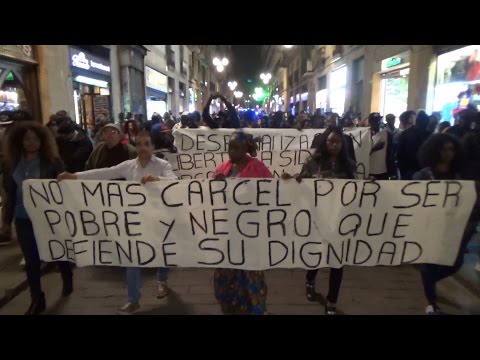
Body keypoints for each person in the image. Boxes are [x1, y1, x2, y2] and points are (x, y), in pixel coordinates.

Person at [57, 131, 177, 315]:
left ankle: (162, 281)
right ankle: (133, 300)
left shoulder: (163, 165)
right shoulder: (128, 166)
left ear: (153, 147)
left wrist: (157, 179)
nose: (143, 148)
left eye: (147, 144)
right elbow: (105, 173)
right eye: (139, 144)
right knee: (131, 258)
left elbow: (175, 181)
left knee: (161, 251)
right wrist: (75, 176)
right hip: (134, 219)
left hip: (158, 217)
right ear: (135, 147)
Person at [282, 126, 356, 315]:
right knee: (315, 254)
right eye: (331, 141)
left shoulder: (348, 165)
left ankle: (331, 301)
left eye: (338, 142)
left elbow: (356, 188)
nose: (334, 145)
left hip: (339, 219)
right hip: (317, 217)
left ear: (343, 144)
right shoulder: (313, 162)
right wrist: (294, 179)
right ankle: (310, 280)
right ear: (325, 142)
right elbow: (303, 183)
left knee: (337, 261)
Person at [2, 121, 73, 315]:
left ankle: (66, 274)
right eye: (26, 139)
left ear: (42, 141)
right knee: (31, 260)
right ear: (20, 142)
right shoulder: (12, 164)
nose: (31, 142)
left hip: (48, 217)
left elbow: (64, 188)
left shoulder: (52, 161)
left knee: (57, 251)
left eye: (34, 138)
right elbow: (11, 193)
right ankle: (36, 298)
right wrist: (6, 221)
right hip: (23, 218)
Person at [412, 133, 476, 314]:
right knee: (429, 265)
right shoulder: (423, 175)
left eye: (451, 149)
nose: (447, 153)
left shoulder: (460, 176)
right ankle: (431, 302)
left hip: (453, 230)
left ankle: (429, 281)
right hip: (430, 229)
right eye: (443, 149)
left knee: (455, 263)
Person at [212, 131, 272, 315]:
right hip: (227, 233)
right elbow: (209, 199)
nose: (231, 150)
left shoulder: (258, 168)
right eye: (229, 146)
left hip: (250, 234)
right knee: (226, 280)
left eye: (236, 147)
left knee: (251, 277)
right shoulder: (223, 168)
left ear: (246, 148)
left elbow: (272, 194)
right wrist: (217, 186)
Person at [397, 110, 430, 180]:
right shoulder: (430, 135)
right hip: (424, 170)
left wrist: (403, 172)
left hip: (408, 170)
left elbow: (400, 155)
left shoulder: (405, 134)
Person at [368, 113, 393, 180]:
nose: (378, 123)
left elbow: (390, 152)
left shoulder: (387, 134)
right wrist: (374, 148)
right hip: (369, 171)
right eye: (375, 121)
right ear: (370, 122)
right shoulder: (365, 136)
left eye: (379, 120)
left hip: (383, 171)